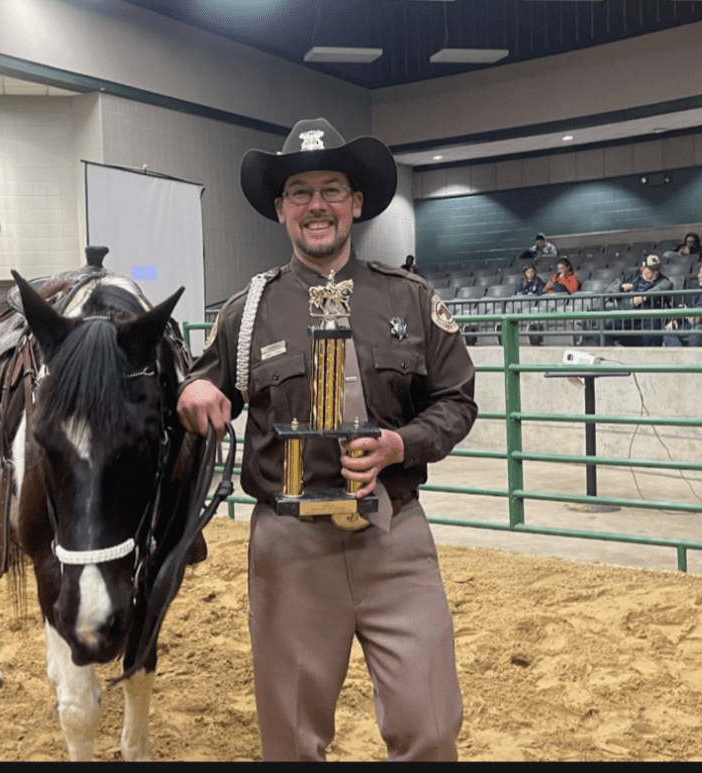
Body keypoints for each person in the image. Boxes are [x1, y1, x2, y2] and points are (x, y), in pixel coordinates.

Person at [176, 118, 477, 761]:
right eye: (301, 192)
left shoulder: (411, 299)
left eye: (332, 189)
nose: (317, 205)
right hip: (290, 549)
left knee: (430, 725)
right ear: (282, 210)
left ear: (357, 203)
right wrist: (191, 395)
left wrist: (401, 445)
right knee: (291, 739)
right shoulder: (245, 312)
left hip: (394, 536)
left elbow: (457, 402)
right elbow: (200, 393)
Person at [602, 254, 673, 346]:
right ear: (643, 268)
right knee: (603, 333)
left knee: (654, 332)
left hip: (648, 316)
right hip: (626, 316)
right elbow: (609, 290)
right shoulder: (630, 275)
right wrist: (621, 287)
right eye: (651, 269)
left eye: (657, 269)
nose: (655, 272)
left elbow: (666, 286)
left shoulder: (662, 280)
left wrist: (644, 296)